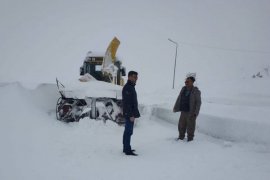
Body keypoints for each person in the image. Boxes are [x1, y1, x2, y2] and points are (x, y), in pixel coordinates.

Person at [173, 76, 201, 142]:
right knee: (181, 125)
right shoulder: (183, 89)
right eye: (185, 81)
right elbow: (179, 98)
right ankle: (181, 137)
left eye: (188, 81)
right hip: (183, 111)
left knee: (190, 126)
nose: (186, 82)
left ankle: (190, 139)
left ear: (192, 82)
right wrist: (175, 107)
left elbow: (198, 102)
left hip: (191, 112)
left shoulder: (196, 91)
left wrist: (196, 113)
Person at [122, 71, 140, 156]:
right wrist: (131, 115)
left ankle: (126, 147)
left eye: (136, 77)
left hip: (129, 114)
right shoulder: (128, 87)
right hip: (129, 114)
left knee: (128, 131)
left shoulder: (131, 87)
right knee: (128, 132)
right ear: (129, 77)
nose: (135, 79)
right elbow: (128, 103)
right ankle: (127, 150)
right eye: (134, 77)